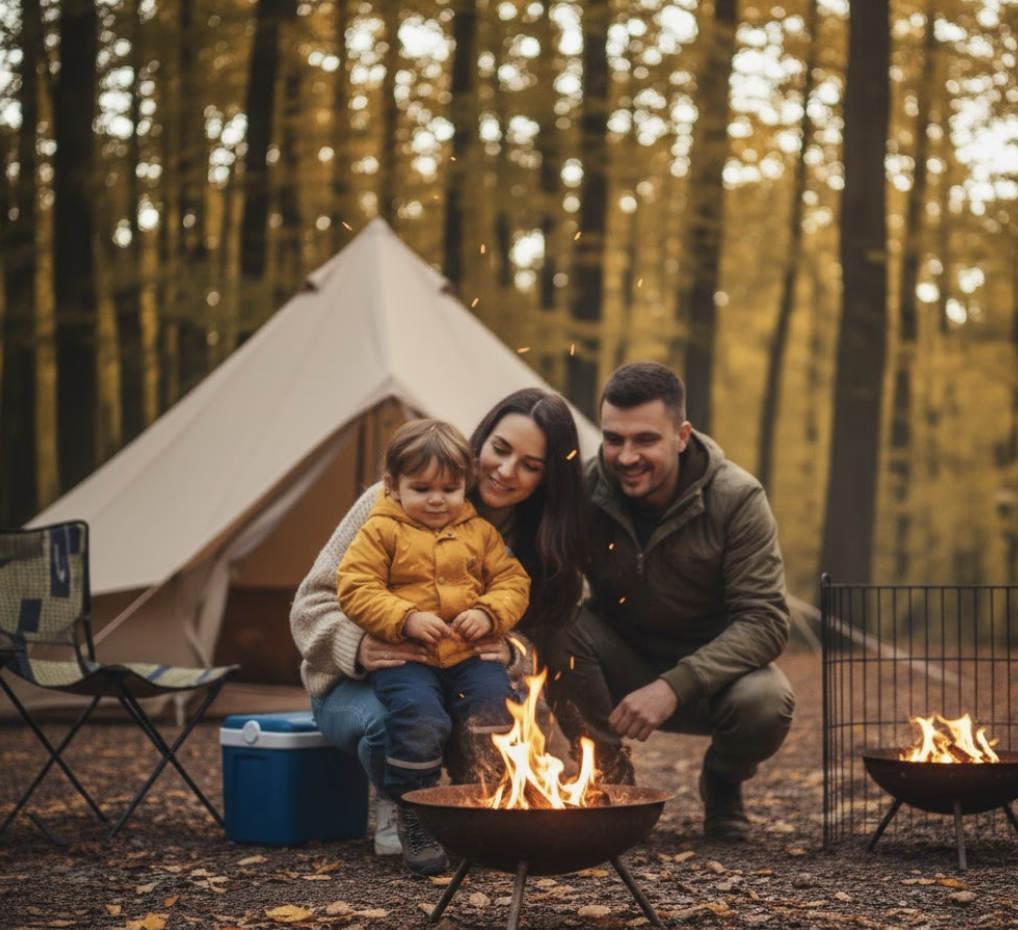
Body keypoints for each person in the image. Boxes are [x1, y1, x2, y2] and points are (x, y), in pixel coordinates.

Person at [289, 388, 586, 864]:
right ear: (479, 445)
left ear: (550, 476)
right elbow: (309, 605)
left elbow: (534, 649)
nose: (507, 471)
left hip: (463, 673)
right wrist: (360, 644)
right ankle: (406, 810)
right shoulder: (388, 505)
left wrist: (509, 649)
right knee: (402, 718)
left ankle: (475, 809)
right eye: (501, 449)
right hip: (360, 683)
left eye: (531, 464)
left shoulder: (529, 540)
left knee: (492, 708)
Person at [544, 361, 795, 843]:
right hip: (619, 660)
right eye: (614, 439)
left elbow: (765, 620)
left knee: (767, 702)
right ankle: (610, 780)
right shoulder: (584, 491)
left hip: (714, 677)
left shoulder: (737, 498)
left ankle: (722, 783)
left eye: (645, 440)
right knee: (552, 617)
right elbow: (533, 569)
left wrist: (674, 686)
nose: (625, 456)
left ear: (681, 436)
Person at [336, 418, 531, 874]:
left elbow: (512, 581)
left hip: (467, 653)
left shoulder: (479, 532)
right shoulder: (380, 530)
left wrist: (487, 613)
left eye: (449, 488)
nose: (437, 499)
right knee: (418, 720)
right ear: (393, 485)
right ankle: (416, 812)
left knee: (493, 706)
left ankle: (482, 799)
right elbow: (355, 585)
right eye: (421, 488)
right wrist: (403, 618)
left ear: (466, 485)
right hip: (410, 658)